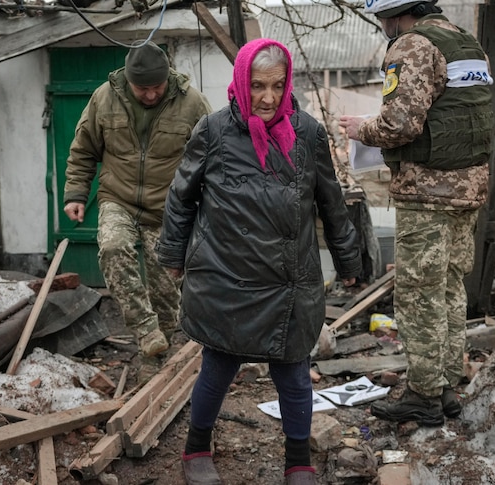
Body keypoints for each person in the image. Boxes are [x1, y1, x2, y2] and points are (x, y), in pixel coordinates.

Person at [155, 39, 362, 485]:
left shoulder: (307, 133)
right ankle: (196, 450)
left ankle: (298, 461)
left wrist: (349, 261)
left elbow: (331, 202)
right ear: (241, 84)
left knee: (293, 373)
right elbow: (180, 198)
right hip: (225, 273)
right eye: (258, 86)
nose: (268, 98)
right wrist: (173, 255)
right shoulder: (212, 130)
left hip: (289, 278)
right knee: (218, 366)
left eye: (277, 86)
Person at [339, 0, 495, 426]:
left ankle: (423, 395)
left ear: (394, 13)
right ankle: (444, 383)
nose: (383, 26)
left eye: (382, 19)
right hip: (468, 189)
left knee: (419, 297)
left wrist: (361, 129)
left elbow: (400, 125)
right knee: (447, 289)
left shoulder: (411, 44)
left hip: (428, 193)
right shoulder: (466, 43)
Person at [63, 41, 212, 362]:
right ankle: (145, 329)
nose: (149, 95)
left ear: (167, 77)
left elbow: (214, 159)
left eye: (156, 87)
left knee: (166, 286)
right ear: (128, 80)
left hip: (170, 207)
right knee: (113, 247)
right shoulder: (104, 99)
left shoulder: (192, 104)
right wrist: (76, 193)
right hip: (119, 197)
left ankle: (157, 353)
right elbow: (84, 150)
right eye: (141, 88)